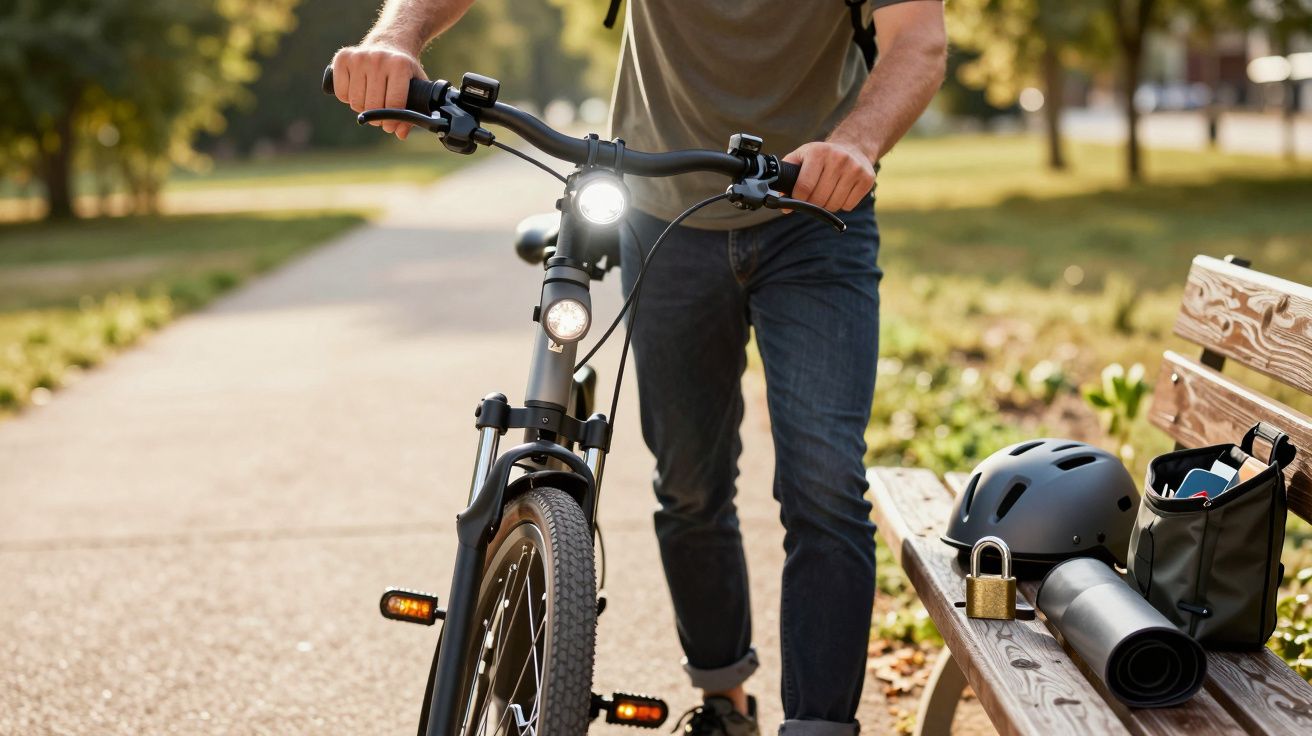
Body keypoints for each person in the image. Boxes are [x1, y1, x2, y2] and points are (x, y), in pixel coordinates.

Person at [332, 1, 945, 733]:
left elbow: (919, 39)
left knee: (824, 483)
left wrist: (856, 143)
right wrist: (395, 35)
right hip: (663, 216)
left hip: (815, 209)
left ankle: (819, 728)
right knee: (689, 485)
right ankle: (724, 699)